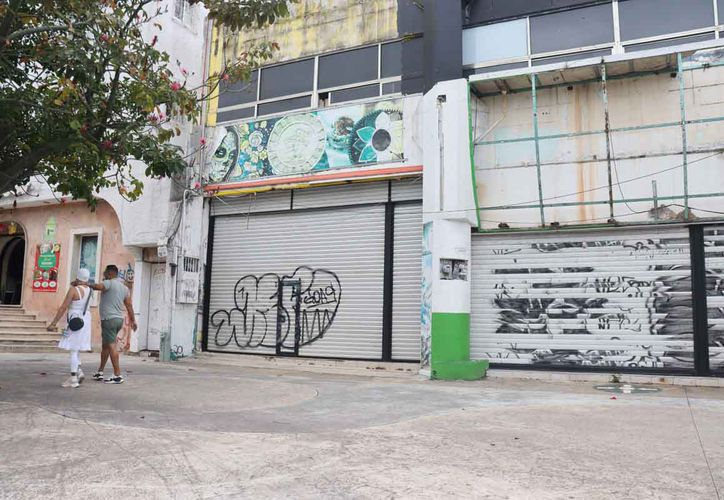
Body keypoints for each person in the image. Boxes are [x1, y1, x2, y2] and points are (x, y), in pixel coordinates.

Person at [78, 264, 137, 384]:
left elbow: (98, 286)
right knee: (105, 346)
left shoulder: (109, 283)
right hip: (118, 320)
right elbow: (129, 305)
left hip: (109, 320)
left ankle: (117, 375)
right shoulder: (124, 288)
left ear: (110, 273)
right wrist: (133, 320)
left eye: (105, 272)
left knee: (111, 346)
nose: (104, 274)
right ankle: (100, 372)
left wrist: (84, 284)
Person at [47, 268, 93, 388]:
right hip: (85, 320)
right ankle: (78, 371)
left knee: (73, 349)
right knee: (77, 348)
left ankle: (73, 379)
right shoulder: (90, 290)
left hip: (74, 320)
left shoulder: (74, 290)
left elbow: (63, 307)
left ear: (77, 277)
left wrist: (53, 323)